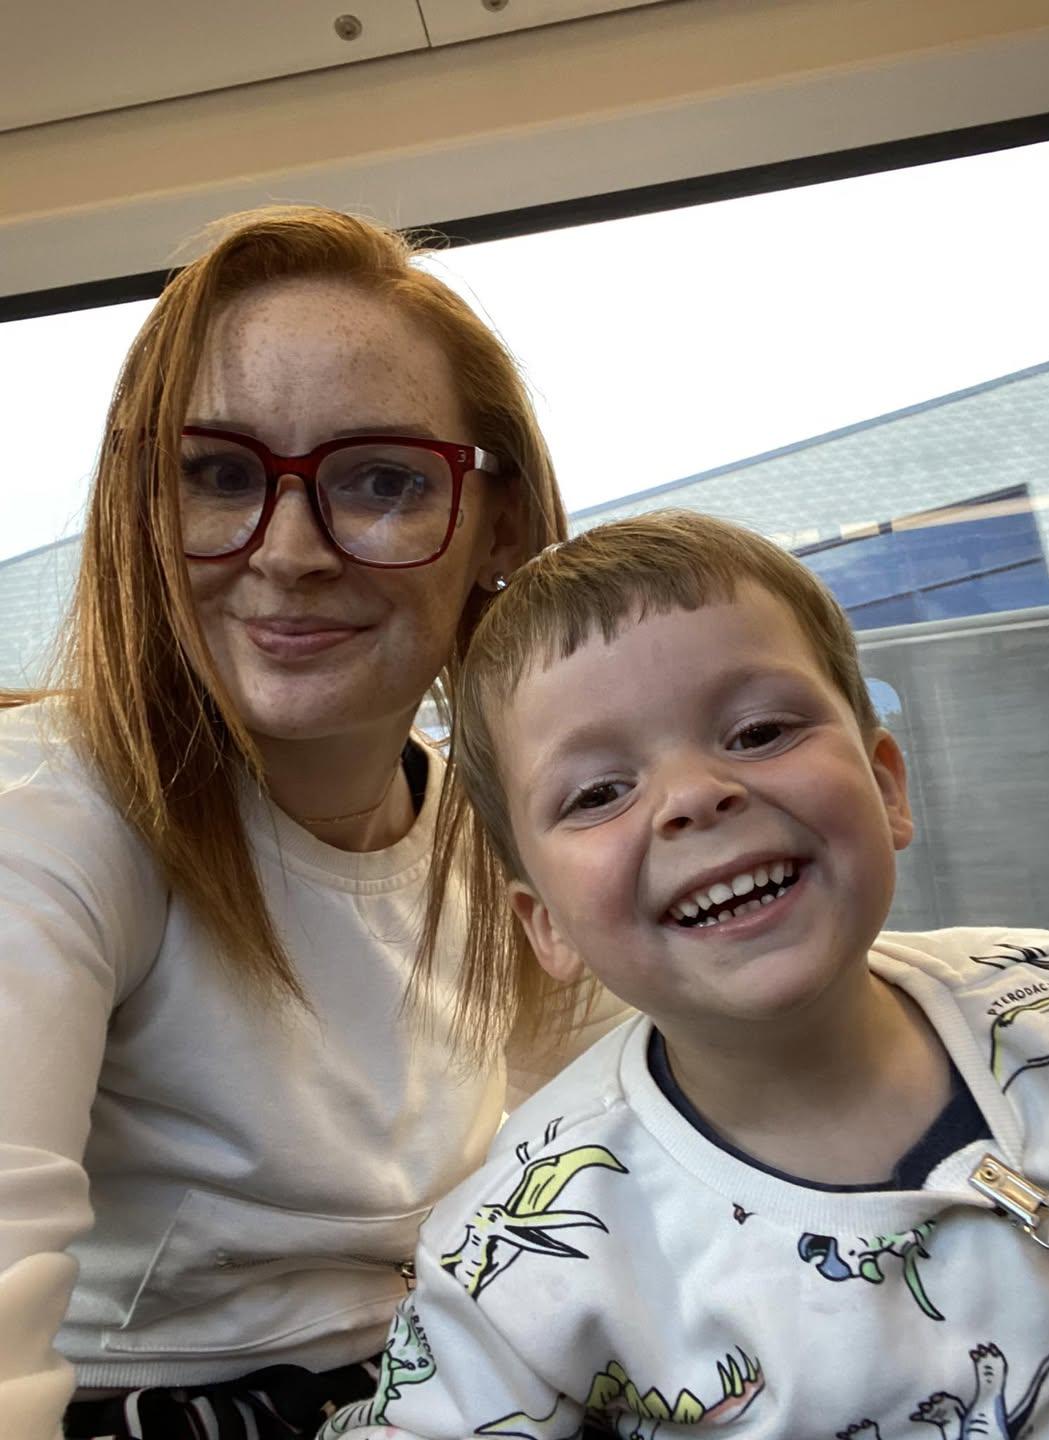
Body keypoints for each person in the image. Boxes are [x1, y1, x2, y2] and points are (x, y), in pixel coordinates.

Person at [0, 206, 627, 1440]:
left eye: (382, 480)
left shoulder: (505, 837)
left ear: (497, 525)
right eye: (218, 475)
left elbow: (635, 1170)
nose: (289, 553)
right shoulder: (50, 816)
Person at [321, 511, 1049, 1440]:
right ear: (546, 924)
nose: (692, 796)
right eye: (599, 792)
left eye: (758, 731)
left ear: (886, 785)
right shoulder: (521, 1252)